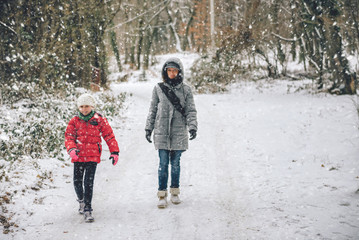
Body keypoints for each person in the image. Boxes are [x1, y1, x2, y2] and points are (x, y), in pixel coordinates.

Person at [145, 57, 198, 208]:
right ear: (165, 71)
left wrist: (193, 126)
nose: (172, 73)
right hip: (161, 131)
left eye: (175, 70)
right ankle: (162, 194)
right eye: (169, 70)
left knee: (175, 164)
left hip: (179, 131)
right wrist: (148, 128)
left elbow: (191, 110)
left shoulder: (186, 90)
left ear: (179, 72)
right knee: (163, 164)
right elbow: (153, 109)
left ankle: (174, 192)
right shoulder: (158, 89)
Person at [65, 93, 120, 222]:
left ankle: (88, 209)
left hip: (92, 157)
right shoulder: (74, 121)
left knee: (88, 183)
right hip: (78, 157)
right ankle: (81, 201)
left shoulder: (99, 119)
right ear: (78, 107)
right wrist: (72, 149)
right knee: (77, 182)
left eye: (87, 106)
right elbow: (69, 137)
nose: (84, 109)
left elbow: (109, 135)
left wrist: (114, 152)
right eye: (82, 106)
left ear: (92, 106)